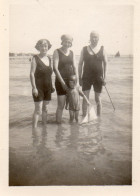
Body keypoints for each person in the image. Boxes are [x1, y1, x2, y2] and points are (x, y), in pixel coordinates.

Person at [78, 31, 108, 117]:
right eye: (92, 37)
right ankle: (84, 117)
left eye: (96, 37)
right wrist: (79, 77)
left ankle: (99, 119)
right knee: (85, 98)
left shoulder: (103, 49)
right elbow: (80, 64)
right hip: (86, 77)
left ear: (98, 38)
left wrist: (105, 78)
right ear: (90, 38)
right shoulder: (84, 49)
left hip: (98, 77)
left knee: (98, 98)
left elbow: (106, 63)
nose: (94, 39)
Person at [53, 34, 78, 124]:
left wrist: (77, 82)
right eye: (66, 42)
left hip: (71, 81)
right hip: (60, 81)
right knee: (61, 105)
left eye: (69, 42)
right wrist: (63, 83)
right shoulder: (57, 51)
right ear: (62, 41)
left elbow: (75, 67)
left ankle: (73, 126)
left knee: (73, 105)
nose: (67, 44)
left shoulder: (72, 53)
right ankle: (58, 126)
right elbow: (55, 68)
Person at [30, 39, 54, 128]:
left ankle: (44, 128)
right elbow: (31, 74)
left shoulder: (49, 58)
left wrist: (52, 87)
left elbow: (49, 74)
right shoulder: (35, 58)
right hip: (38, 88)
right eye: (42, 46)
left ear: (48, 47)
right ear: (38, 47)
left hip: (47, 87)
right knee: (38, 110)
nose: (44, 48)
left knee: (46, 109)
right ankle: (34, 130)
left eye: (46, 46)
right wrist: (34, 87)